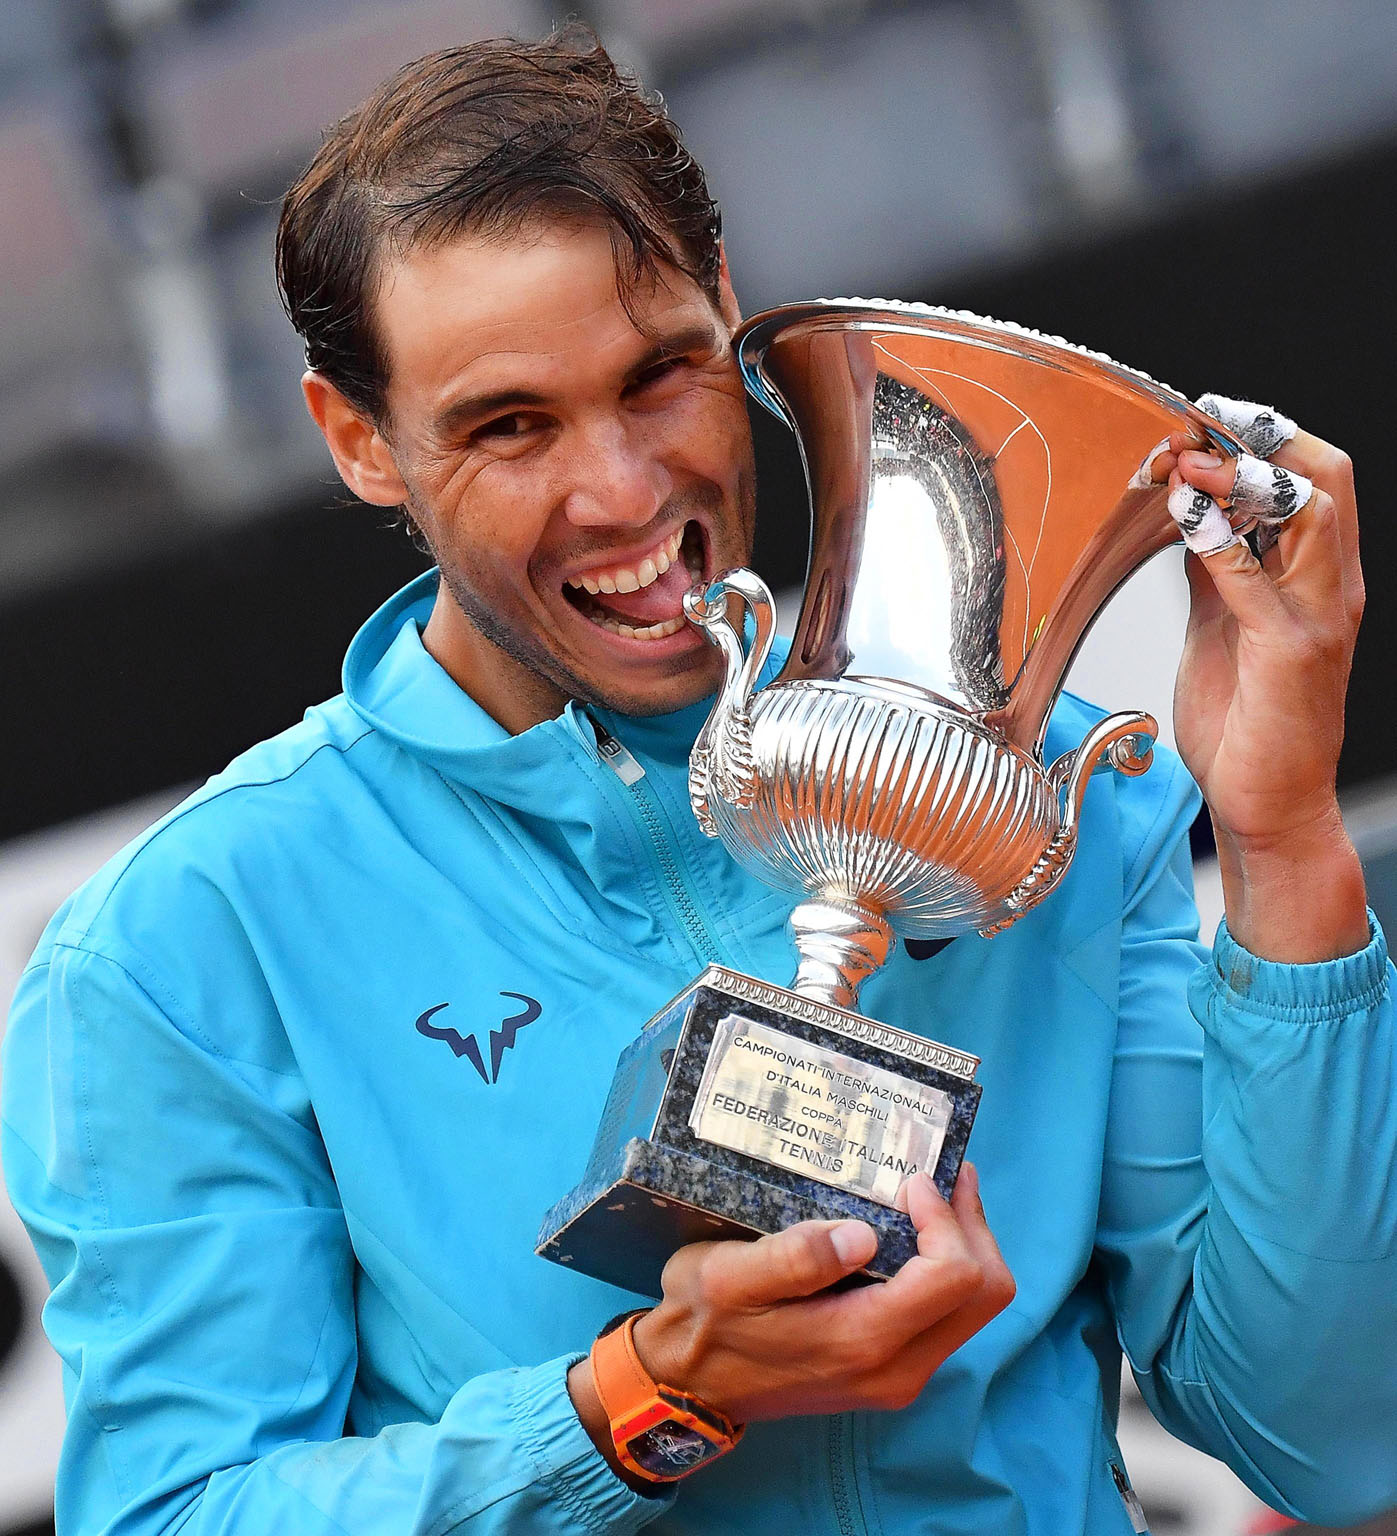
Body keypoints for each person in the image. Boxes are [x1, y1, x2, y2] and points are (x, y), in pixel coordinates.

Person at [5, 27, 1395, 1536]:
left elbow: (1332, 1438)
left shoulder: (1032, 791)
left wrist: (1280, 839)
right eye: (509, 426)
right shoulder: (182, 946)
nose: (622, 493)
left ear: (729, 307)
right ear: (360, 440)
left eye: (659, 374)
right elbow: (173, 1514)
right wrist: (638, 1404)